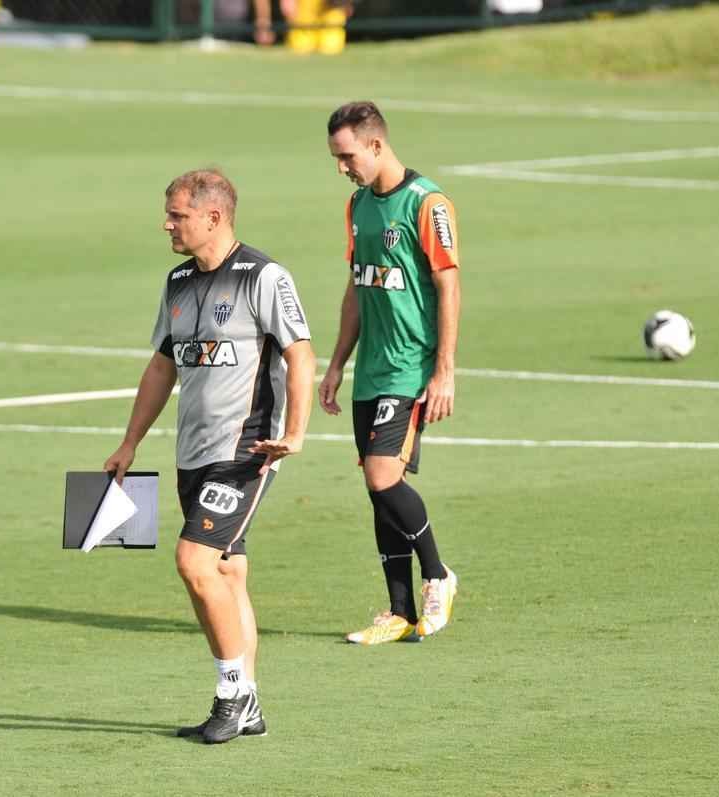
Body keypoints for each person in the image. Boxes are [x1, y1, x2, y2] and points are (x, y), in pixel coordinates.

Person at [104, 169, 315, 743]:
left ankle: (231, 694)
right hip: (193, 452)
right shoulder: (176, 281)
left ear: (214, 217)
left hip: (248, 450)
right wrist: (129, 444)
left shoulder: (263, 276)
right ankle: (249, 703)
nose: (166, 223)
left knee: (194, 562)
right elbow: (162, 366)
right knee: (226, 572)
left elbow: (300, 355)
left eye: (177, 215)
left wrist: (295, 432)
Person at [317, 101, 461, 646]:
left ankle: (438, 575)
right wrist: (335, 364)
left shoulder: (428, 203)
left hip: (409, 366)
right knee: (377, 489)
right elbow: (358, 286)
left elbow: (448, 284)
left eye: (347, 155)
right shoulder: (357, 206)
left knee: (383, 476)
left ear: (376, 145)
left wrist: (444, 370)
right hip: (371, 369)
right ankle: (399, 611)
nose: (342, 168)